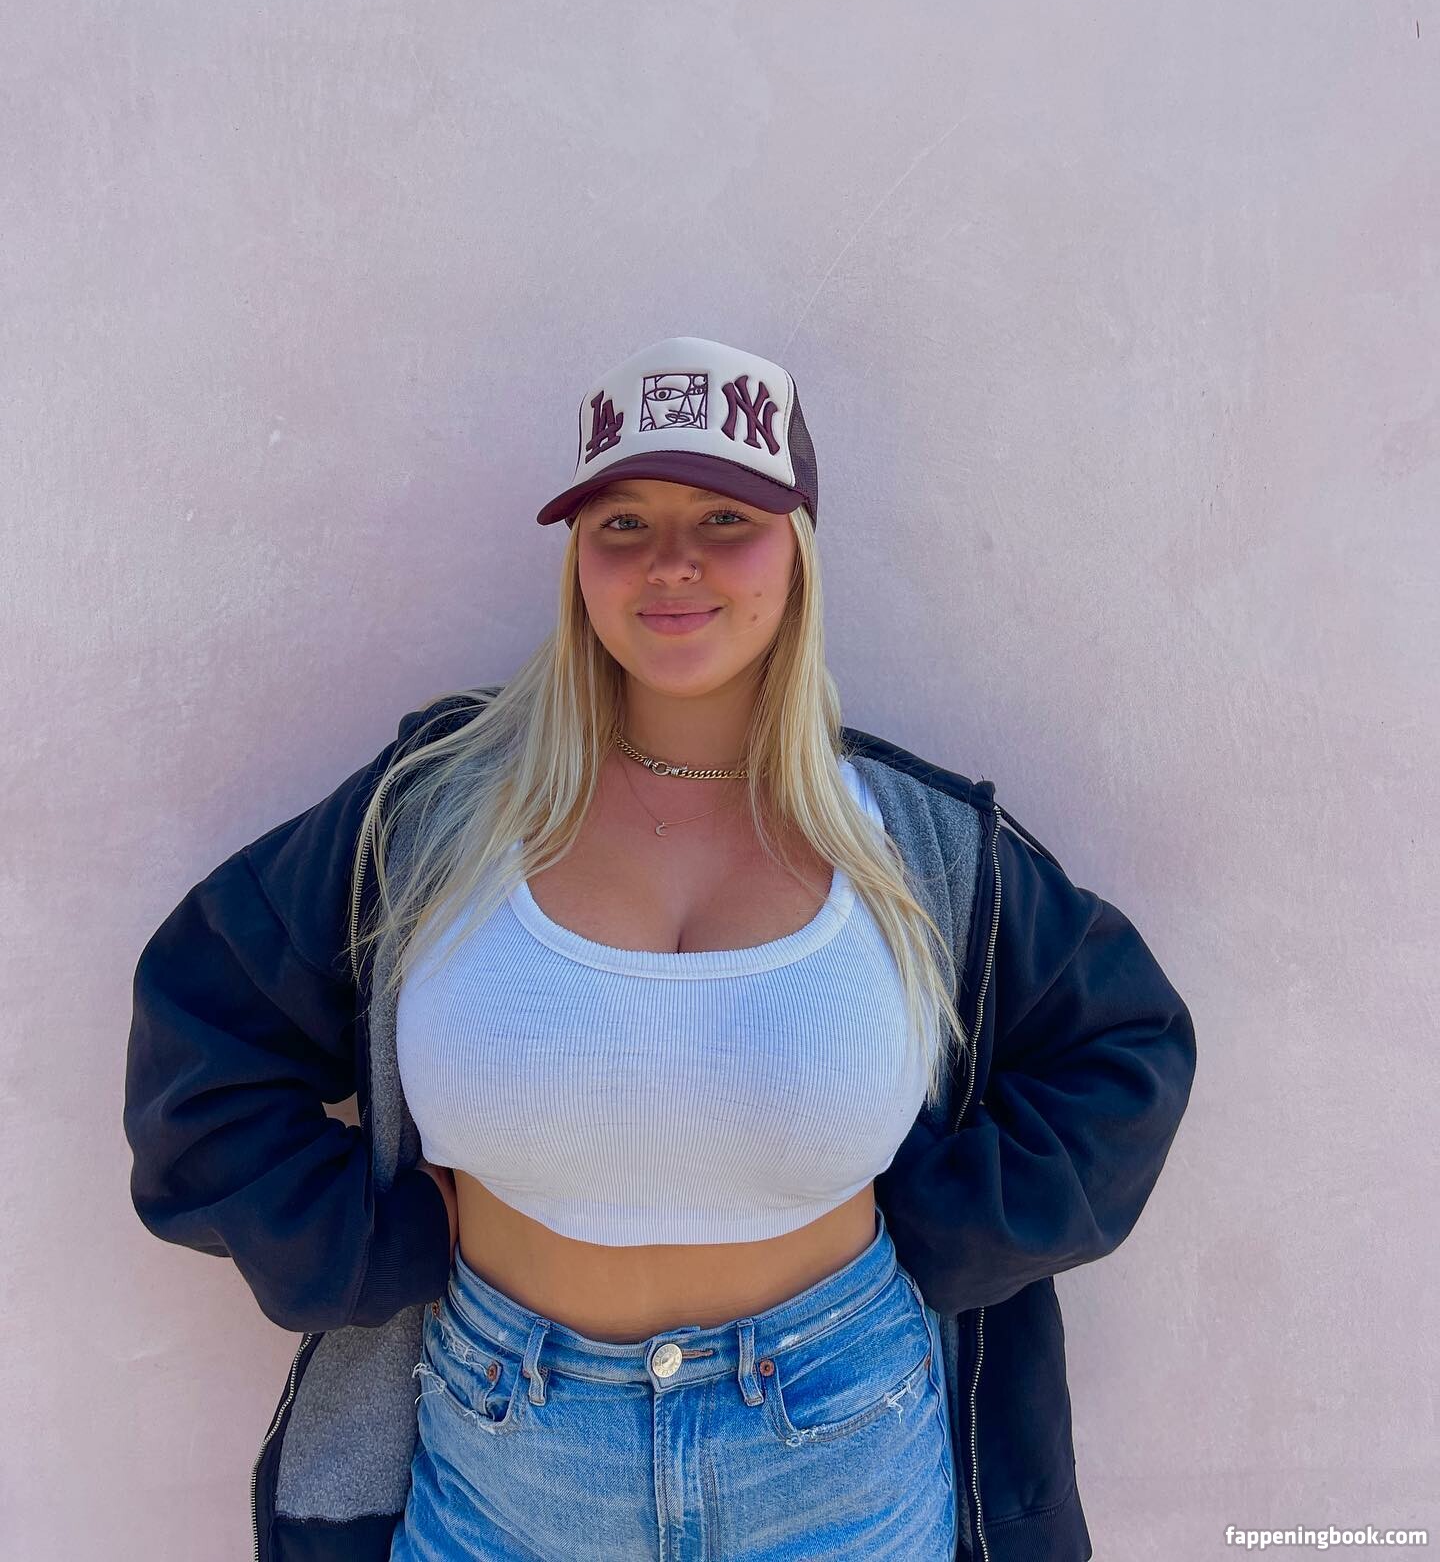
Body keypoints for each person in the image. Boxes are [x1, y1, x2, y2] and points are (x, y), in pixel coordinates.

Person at [123, 336, 1197, 1562]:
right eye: (621, 522)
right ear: (578, 559)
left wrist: (944, 1222)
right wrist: (373, 1245)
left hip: (844, 1450)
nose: (670, 560)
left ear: (797, 547)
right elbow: (201, 1037)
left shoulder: (914, 845)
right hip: (505, 1456)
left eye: (725, 517)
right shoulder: (435, 817)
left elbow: (1127, 1047)